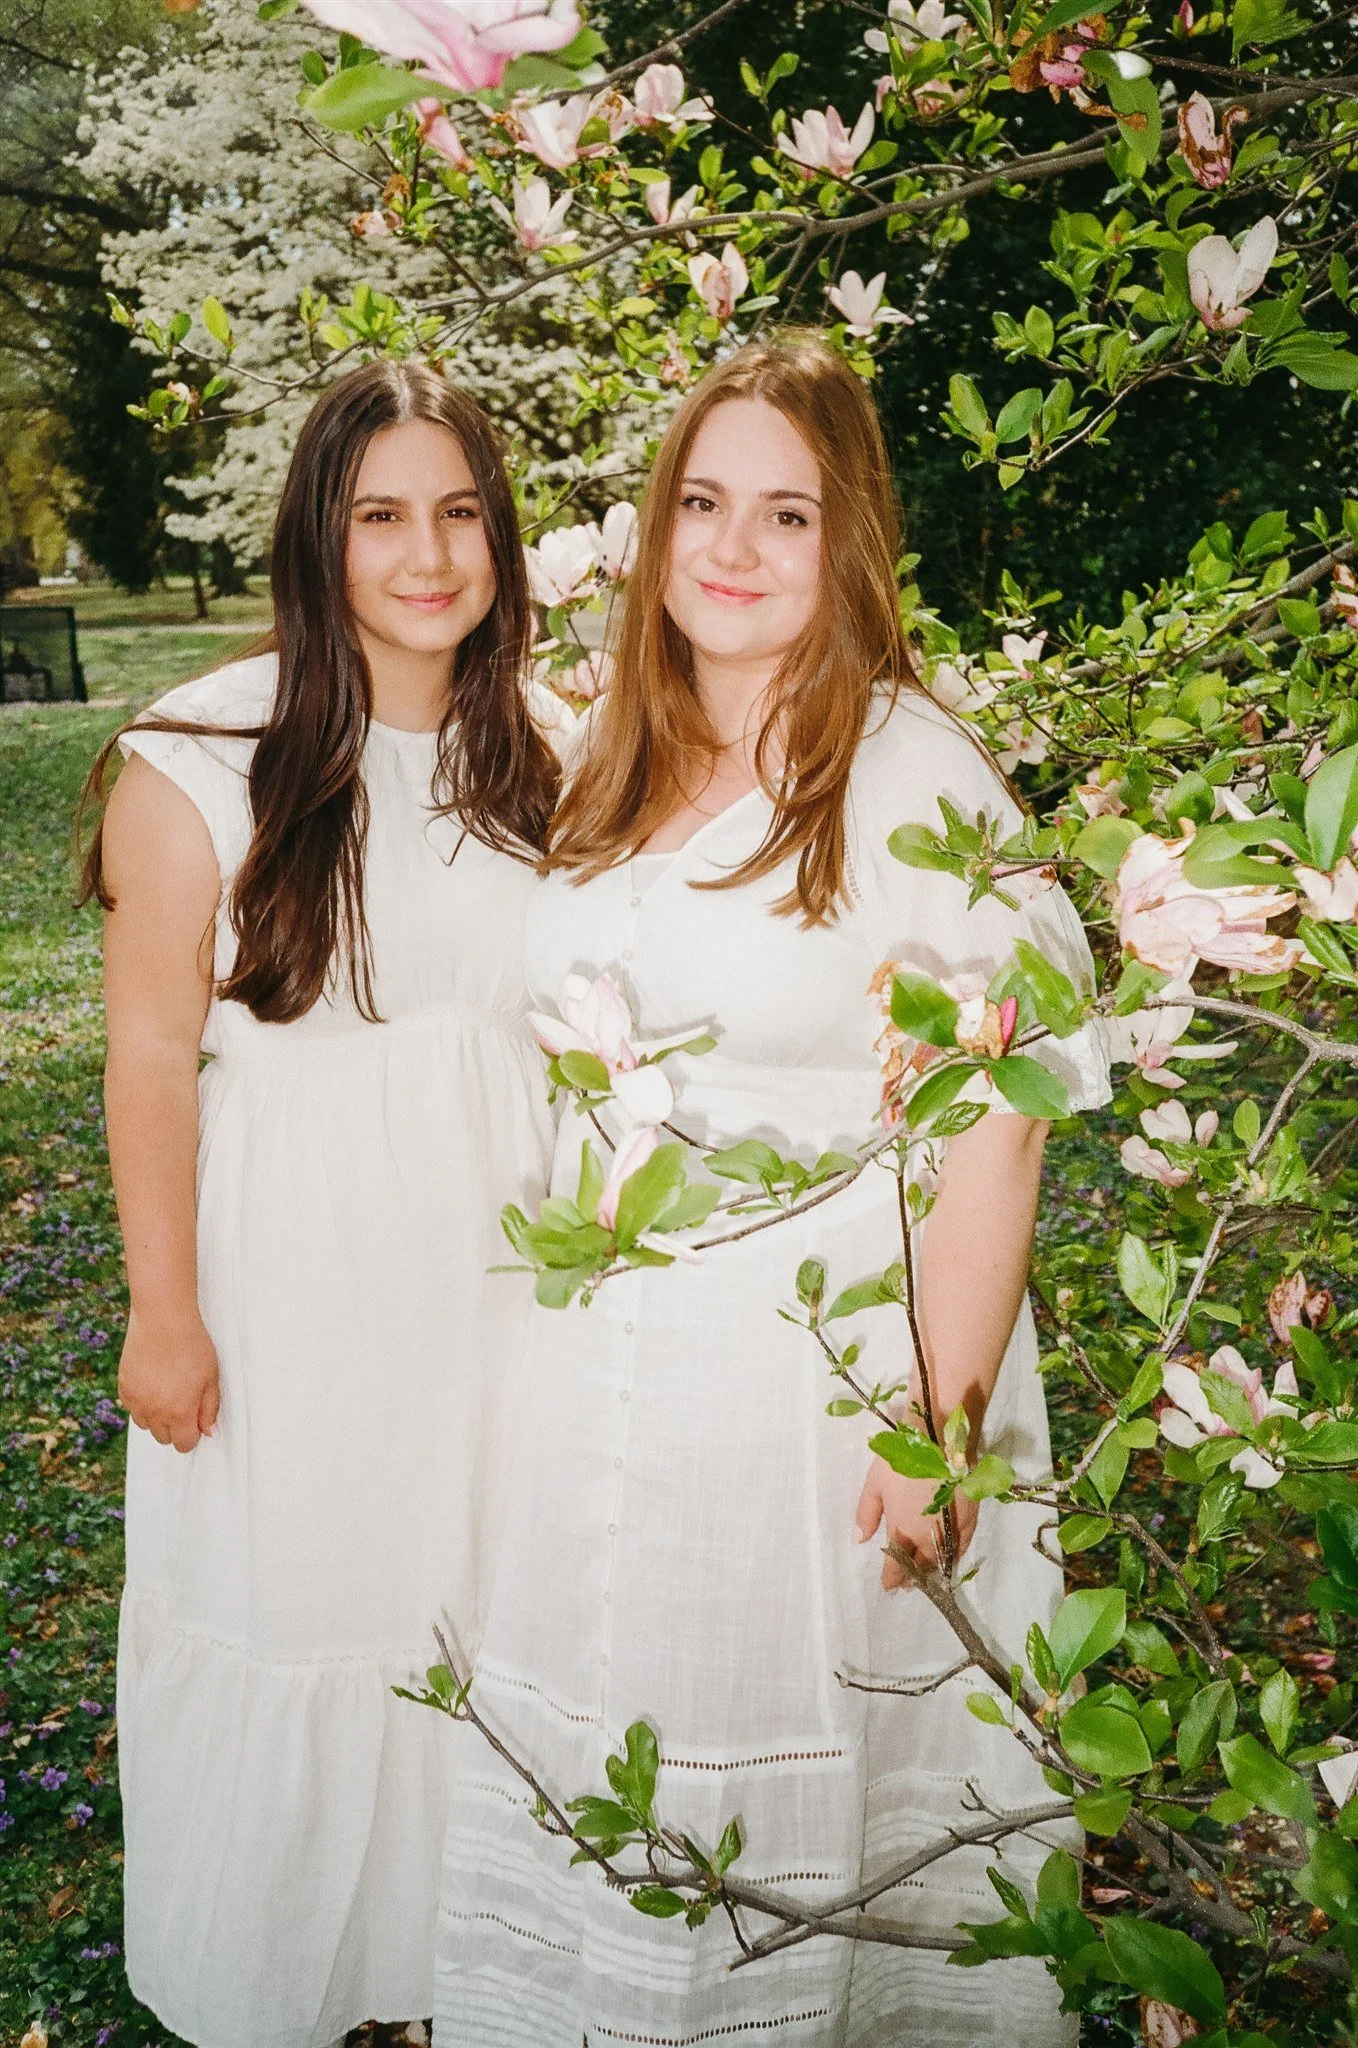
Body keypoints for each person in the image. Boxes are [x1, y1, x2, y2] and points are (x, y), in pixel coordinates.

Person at [432, 335, 1110, 2046]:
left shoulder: (906, 774)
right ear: (659, 530)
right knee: (624, 1742)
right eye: (704, 504)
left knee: (800, 1802)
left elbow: (996, 1120)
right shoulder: (615, 761)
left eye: (786, 514)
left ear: (848, 540)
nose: (733, 549)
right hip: (600, 1376)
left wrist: (936, 1428)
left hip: (820, 1375)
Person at [79, 361, 558, 2048]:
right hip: (299, 1268)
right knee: (310, 1596)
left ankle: (460, 1977)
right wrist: (164, 1311)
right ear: (318, 536)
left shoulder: (557, 747)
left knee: (489, 1600)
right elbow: (148, 1055)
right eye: (380, 518)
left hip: (514, 1269)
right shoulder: (200, 751)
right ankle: (313, 1990)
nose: (427, 554)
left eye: (459, 512)